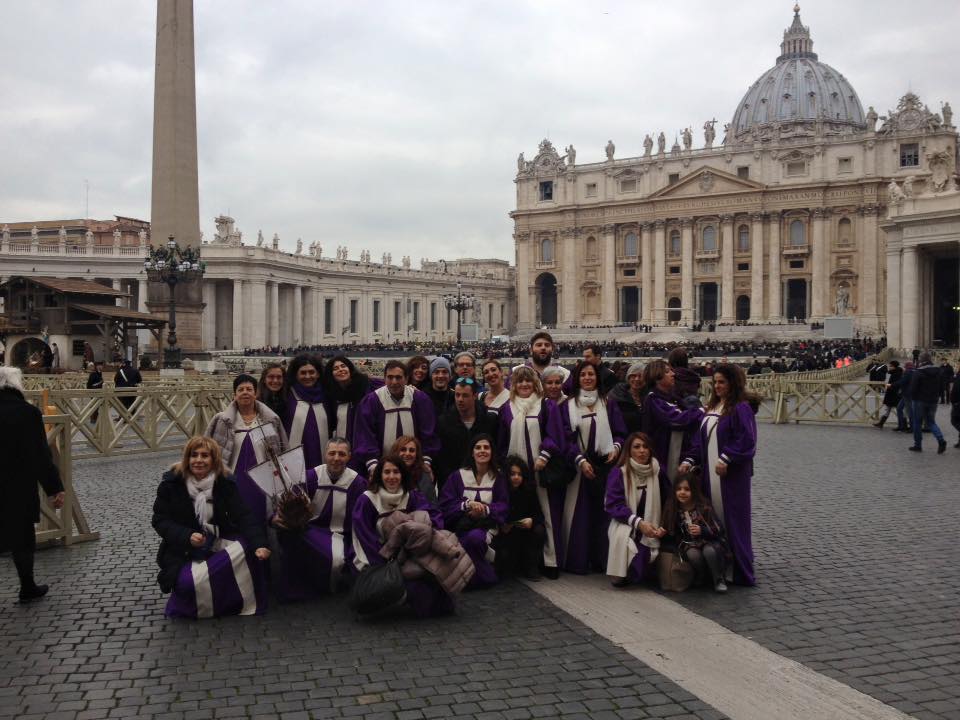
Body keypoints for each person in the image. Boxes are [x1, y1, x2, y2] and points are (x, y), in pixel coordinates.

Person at [151, 436, 270, 619]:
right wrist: (187, 536)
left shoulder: (225, 483)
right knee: (187, 584)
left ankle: (227, 602)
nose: (198, 460)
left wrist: (260, 544)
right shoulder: (170, 485)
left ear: (214, 460)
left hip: (218, 540)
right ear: (187, 458)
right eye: (194, 455)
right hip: (183, 550)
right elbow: (160, 520)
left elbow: (244, 515)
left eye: (205, 455)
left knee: (248, 550)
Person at [681, 363, 758, 585]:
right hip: (709, 476)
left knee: (733, 520)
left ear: (732, 383)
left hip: (731, 476)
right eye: (715, 382)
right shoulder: (713, 407)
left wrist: (726, 458)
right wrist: (689, 460)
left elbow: (746, 440)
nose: (717, 386)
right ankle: (719, 566)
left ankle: (738, 569)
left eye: (722, 382)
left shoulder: (741, 408)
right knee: (714, 518)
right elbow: (700, 440)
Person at [351, 454, 454, 617]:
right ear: (379, 474)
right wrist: (384, 559)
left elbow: (432, 514)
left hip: (412, 553)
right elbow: (362, 533)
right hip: (379, 557)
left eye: (396, 472)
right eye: (387, 472)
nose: (392, 477)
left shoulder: (411, 495)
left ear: (402, 474)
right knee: (417, 590)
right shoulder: (367, 499)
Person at [0, 367, 65, 603]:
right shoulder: (28, 414)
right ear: (17, 385)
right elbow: (40, 456)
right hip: (18, 487)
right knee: (22, 539)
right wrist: (54, 487)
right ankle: (27, 586)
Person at [273, 437, 367, 600]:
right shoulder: (310, 477)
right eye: (332, 453)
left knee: (337, 560)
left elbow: (362, 518)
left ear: (349, 456)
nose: (336, 458)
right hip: (309, 531)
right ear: (325, 455)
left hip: (341, 536)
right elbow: (286, 503)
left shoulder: (358, 483)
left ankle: (323, 588)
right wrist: (275, 517)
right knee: (290, 536)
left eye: (341, 454)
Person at [496, 365, 566, 577]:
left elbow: (554, 433)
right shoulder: (506, 409)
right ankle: (522, 563)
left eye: (528, 381)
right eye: (520, 381)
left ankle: (550, 560)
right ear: (514, 385)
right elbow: (502, 442)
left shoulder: (545, 406)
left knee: (546, 515)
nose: (524, 385)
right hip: (516, 474)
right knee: (518, 514)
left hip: (539, 469)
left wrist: (544, 455)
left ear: (535, 383)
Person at [561, 360, 627, 574]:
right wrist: (580, 459)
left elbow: (620, 431)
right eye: (583, 375)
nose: (587, 378)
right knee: (580, 514)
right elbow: (566, 437)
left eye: (591, 374)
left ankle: (602, 559)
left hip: (604, 465)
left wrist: (616, 446)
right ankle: (579, 560)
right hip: (580, 465)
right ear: (577, 379)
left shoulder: (608, 403)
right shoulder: (568, 406)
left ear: (597, 378)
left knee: (602, 515)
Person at [205, 374, 287, 526]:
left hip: (264, 477)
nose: (245, 392)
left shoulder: (271, 419)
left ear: (256, 394)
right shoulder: (221, 420)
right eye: (240, 389)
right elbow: (206, 448)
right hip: (232, 475)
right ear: (234, 395)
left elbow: (282, 449)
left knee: (261, 513)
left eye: (249, 389)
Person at [439, 435, 508, 588]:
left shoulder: (498, 477)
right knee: (467, 539)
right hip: (460, 525)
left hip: (487, 527)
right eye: (478, 447)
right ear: (472, 452)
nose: (482, 451)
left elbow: (503, 505)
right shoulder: (458, 476)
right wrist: (467, 505)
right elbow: (445, 503)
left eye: (486, 447)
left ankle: (470, 579)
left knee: (475, 539)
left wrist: (485, 509)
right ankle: (486, 575)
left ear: (492, 452)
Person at [353, 360, 440, 476]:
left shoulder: (419, 399)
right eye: (390, 377)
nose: (394, 382)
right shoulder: (372, 401)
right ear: (384, 378)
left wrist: (426, 461)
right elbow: (365, 435)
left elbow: (429, 432)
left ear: (406, 378)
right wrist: (373, 465)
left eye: (398, 377)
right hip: (382, 468)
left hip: (414, 468)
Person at [604, 432, 664, 587]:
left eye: (645, 447)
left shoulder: (657, 471)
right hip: (628, 524)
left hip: (652, 526)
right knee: (628, 573)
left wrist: (664, 526)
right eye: (637, 447)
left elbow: (669, 499)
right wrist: (639, 523)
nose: (642, 450)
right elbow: (613, 505)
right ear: (629, 451)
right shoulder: (619, 473)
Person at [641, 360, 704, 493]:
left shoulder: (672, 398)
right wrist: (701, 411)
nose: (673, 374)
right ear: (657, 377)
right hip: (663, 458)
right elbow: (676, 420)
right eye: (667, 371)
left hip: (678, 455)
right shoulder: (653, 400)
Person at [662, 471, 729, 593]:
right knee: (693, 555)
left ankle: (718, 578)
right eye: (679, 489)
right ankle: (701, 575)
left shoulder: (703, 506)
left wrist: (702, 530)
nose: (682, 492)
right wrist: (662, 530)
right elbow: (669, 527)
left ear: (693, 491)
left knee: (709, 551)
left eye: (687, 489)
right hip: (689, 543)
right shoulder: (673, 507)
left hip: (709, 540)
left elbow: (719, 529)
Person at [435, 377, 499, 489]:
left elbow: (496, 451)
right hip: (454, 483)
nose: (460, 399)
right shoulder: (443, 422)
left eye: (465, 395)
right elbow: (441, 457)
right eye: (457, 395)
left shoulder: (490, 420)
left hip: (485, 482)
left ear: (474, 396)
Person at [493, 456, 545, 581]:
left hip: (524, 534)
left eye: (519, 474)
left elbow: (539, 515)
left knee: (539, 530)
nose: (516, 477)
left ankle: (531, 568)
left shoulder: (528, 490)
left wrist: (531, 520)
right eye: (512, 474)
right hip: (507, 536)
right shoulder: (500, 490)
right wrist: (503, 524)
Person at [322, 355, 383, 449]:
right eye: (335, 368)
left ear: (349, 368)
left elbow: (391, 385)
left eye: (343, 366)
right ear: (331, 374)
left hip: (366, 444)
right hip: (343, 446)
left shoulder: (366, 384)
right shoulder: (331, 395)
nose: (341, 369)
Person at [283, 354, 331, 469]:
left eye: (311, 372)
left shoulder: (327, 395)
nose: (308, 376)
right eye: (303, 373)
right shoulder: (286, 394)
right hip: (292, 457)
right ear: (296, 375)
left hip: (321, 455)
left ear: (318, 373)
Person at [908, 353, 948, 454]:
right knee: (931, 422)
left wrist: (912, 398)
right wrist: (938, 397)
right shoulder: (939, 371)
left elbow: (913, 388)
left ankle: (918, 445)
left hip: (919, 400)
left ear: (921, 360)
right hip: (933, 400)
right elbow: (942, 386)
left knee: (917, 423)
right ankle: (941, 440)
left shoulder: (918, 372)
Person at [391, 435, 437, 503]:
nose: (407, 453)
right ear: (396, 452)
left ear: (417, 454)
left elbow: (432, 504)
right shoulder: (387, 473)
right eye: (403, 449)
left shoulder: (424, 475)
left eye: (411, 450)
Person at [608, 361, 646, 434]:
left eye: (640, 376)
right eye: (633, 376)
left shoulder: (649, 397)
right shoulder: (617, 395)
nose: (637, 379)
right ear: (628, 378)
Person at [874, 360, 903, 429]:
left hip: (894, 394)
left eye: (890, 366)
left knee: (899, 410)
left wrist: (891, 385)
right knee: (888, 409)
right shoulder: (895, 372)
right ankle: (881, 423)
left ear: (894, 366)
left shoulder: (897, 374)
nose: (889, 367)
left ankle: (902, 425)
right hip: (891, 394)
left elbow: (897, 383)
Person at [950, 364, 960, 448]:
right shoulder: (958, 374)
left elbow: (956, 388)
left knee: (954, 420)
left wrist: (954, 400)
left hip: (958, 402)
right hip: (956, 401)